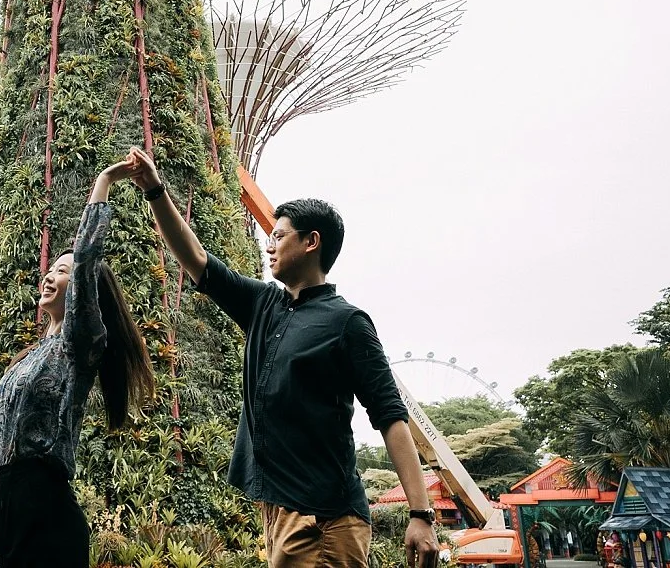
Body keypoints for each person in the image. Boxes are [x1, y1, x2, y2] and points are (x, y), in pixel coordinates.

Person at [116, 147, 440, 568]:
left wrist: (420, 513)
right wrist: (154, 189)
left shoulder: (348, 323)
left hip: (324, 518)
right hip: (281, 510)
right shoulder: (262, 304)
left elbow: (390, 414)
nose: (269, 245)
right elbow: (194, 258)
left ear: (311, 242)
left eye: (278, 235)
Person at [0, 161, 155, 568]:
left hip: (47, 512)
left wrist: (104, 182)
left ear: (82, 291)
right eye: (49, 269)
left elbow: (86, 261)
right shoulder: (27, 361)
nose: (49, 276)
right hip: (11, 515)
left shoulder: (79, 346)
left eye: (60, 272)